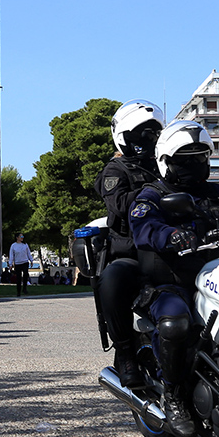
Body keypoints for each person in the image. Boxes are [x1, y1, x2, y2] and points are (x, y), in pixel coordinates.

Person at [129, 120, 219, 437]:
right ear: (165, 161)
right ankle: (174, 396)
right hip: (170, 282)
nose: (194, 164)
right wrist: (171, 235)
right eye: (184, 158)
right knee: (176, 323)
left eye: (200, 156)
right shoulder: (153, 195)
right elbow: (144, 225)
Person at [92, 99, 164, 387]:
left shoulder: (164, 165)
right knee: (113, 278)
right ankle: (124, 352)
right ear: (124, 136)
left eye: (152, 133)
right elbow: (120, 204)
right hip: (132, 249)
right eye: (140, 134)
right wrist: (156, 192)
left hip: (169, 247)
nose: (147, 140)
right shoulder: (116, 170)